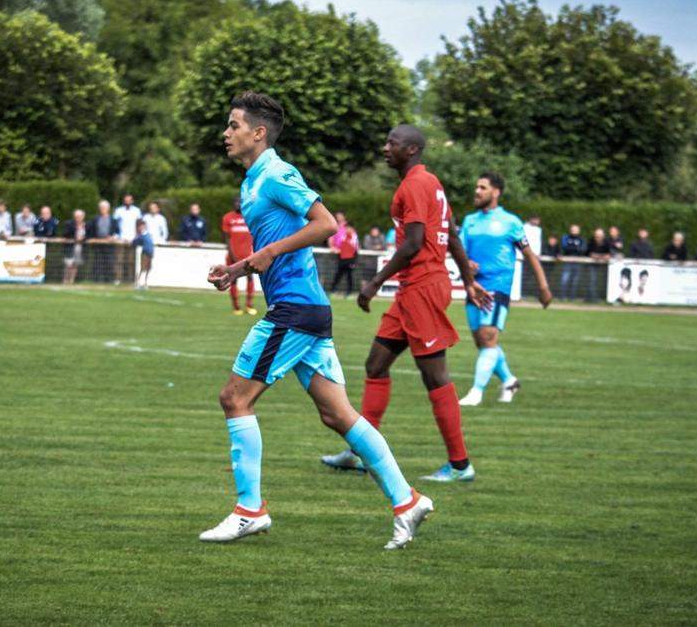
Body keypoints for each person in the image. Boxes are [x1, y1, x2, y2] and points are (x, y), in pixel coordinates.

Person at [202, 92, 430, 549]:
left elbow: (325, 224)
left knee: (235, 398)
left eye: (233, 125)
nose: (226, 134)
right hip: (305, 308)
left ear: (258, 133)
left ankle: (250, 510)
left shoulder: (277, 173)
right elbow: (277, 245)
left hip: (294, 309)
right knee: (337, 414)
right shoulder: (252, 182)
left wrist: (266, 253)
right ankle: (408, 501)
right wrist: (237, 268)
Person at [321, 123, 486, 484]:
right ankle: (361, 453)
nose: (385, 148)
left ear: (410, 150)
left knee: (435, 375)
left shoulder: (414, 185)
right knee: (376, 363)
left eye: (392, 143)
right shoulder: (431, 183)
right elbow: (452, 234)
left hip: (423, 288)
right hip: (414, 289)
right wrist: (469, 281)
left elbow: (414, 243)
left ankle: (460, 465)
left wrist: (374, 283)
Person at [456, 172, 553, 406]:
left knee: (488, 338)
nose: (477, 191)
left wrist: (543, 286)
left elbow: (530, 255)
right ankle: (509, 380)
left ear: (496, 192)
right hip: (473, 288)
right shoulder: (469, 221)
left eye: (483, 187)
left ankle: (476, 392)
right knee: (482, 342)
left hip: (497, 288)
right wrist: (466, 263)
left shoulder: (511, 222)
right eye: (476, 187)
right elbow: (460, 252)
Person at [221, 196, 257, 315]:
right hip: (233, 255)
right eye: (235, 202)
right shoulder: (228, 217)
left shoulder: (250, 217)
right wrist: (232, 255)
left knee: (250, 277)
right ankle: (236, 307)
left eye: (240, 202)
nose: (238, 204)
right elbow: (227, 239)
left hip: (248, 255)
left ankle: (249, 305)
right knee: (233, 279)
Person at [85, 200, 118, 282]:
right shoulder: (95, 219)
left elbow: (117, 232)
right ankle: (96, 280)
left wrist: (113, 237)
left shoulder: (113, 219)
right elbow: (90, 230)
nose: (102, 209)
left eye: (104, 208)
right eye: (101, 208)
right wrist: (91, 238)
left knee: (109, 262)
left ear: (108, 208)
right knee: (97, 263)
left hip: (109, 244)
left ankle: (109, 280)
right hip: (98, 244)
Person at [328, 211, 359, 296]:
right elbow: (339, 244)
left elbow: (355, 249)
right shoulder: (344, 236)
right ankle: (332, 290)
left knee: (349, 276)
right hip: (342, 258)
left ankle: (349, 292)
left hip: (350, 259)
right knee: (338, 274)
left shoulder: (354, 237)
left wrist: (354, 261)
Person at [558, 224, 587, 299]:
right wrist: (575, 248)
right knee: (564, 280)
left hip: (577, 262)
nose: (574, 231)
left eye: (575, 229)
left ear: (578, 231)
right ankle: (562, 296)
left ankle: (572, 297)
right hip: (567, 262)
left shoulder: (581, 239)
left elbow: (583, 249)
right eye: (572, 229)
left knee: (575, 281)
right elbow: (564, 247)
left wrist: (572, 248)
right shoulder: (565, 237)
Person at [585, 227, 611, 301]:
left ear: (603, 236)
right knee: (592, 280)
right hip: (592, 265)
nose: (598, 237)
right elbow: (588, 253)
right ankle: (592, 298)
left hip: (604, 266)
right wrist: (599, 256)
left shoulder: (606, 242)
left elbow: (609, 254)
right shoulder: (591, 241)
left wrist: (599, 256)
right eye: (597, 235)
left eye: (600, 236)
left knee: (602, 282)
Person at [62, 209, 86, 284]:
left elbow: (88, 235)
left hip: (79, 247)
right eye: (76, 216)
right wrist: (76, 231)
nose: (78, 218)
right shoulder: (69, 223)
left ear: (83, 217)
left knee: (75, 264)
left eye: (80, 216)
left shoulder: (85, 225)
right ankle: (65, 280)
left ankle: (72, 280)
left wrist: (83, 238)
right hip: (70, 246)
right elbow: (65, 234)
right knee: (68, 265)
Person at [132, 218, 155, 289]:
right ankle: (137, 282)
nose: (142, 227)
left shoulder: (148, 234)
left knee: (148, 268)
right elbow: (135, 242)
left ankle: (145, 282)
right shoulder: (141, 236)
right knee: (142, 268)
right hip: (145, 253)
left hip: (150, 253)